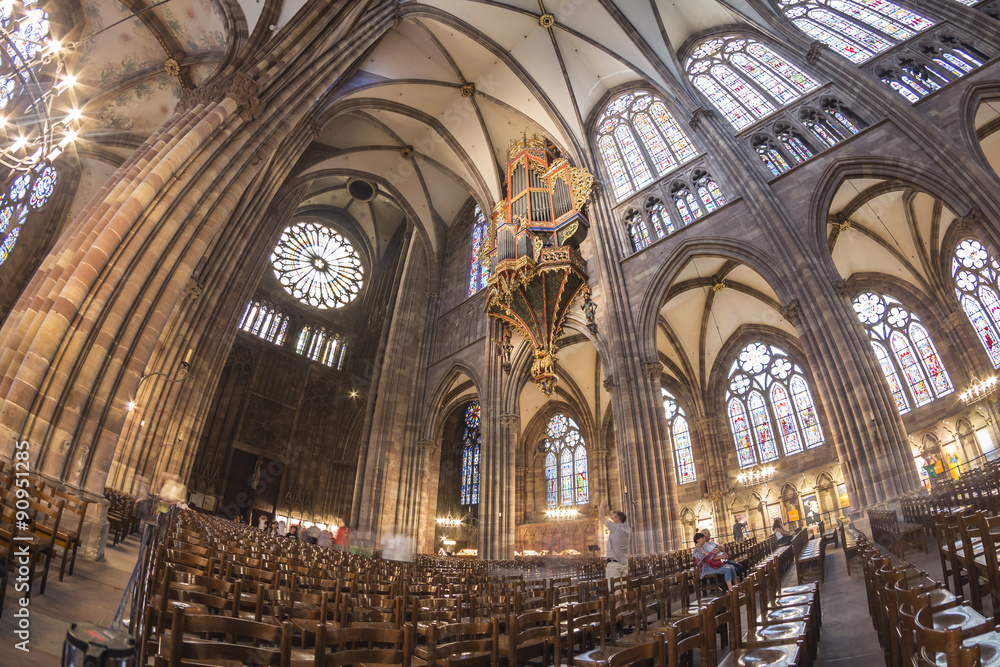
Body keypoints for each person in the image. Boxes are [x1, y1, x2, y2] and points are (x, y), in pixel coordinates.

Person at [600, 498, 631, 590]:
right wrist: (608, 511)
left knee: (616, 590)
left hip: (614, 565)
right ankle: (626, 603)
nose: (612, 518)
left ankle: (618, 605)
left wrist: (601, 506)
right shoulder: (627, 529)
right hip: (624, 563)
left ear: (618, 519)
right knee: (624, 588)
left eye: (614, 517)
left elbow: (601, 518)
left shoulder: (615, 528)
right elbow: (616, 520)